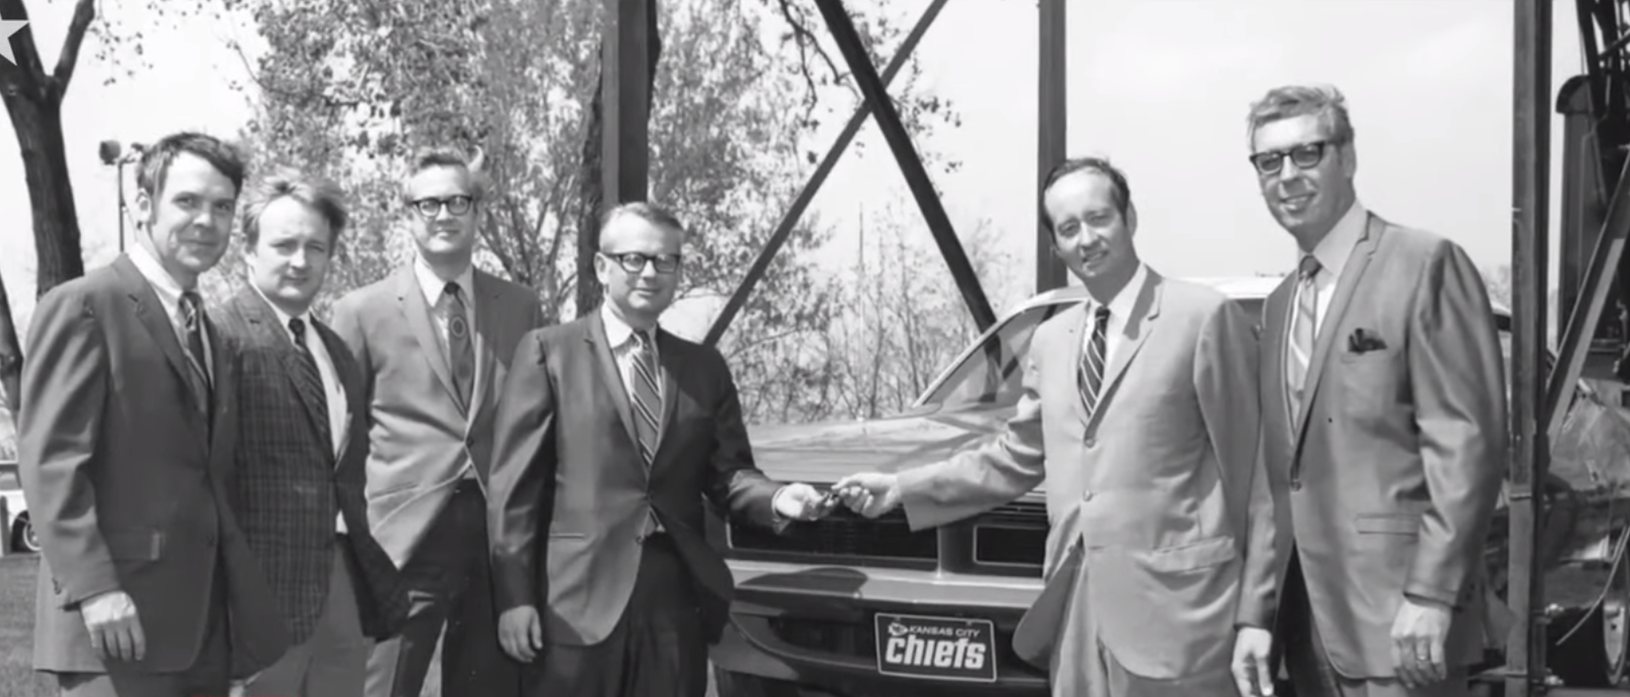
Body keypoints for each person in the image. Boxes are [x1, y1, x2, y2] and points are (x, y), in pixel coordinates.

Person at [832, 158, 1274, 697]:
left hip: (1182, 619)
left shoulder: (1202, 318)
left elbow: (1258, 479)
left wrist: (1258, 613)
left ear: (1129, 218)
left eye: (1098, 218)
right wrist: (901, 488)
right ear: (1055, 247)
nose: (1086, 238)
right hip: (1075, 613)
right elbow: (1014, 456)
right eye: (1068, 229)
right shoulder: (1051, 339)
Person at [486, 201, 836, 697]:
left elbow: (729, 475)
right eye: (634, 258)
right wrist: (514, 598)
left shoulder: (703, 368)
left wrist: (779, 499)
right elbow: (514, 491)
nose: (649, 272)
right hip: (574, 601)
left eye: (664, 260)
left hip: (674, 598)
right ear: (601, 266)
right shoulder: (548, 352)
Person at [1244, 84, 1506, 697]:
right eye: (1269, 161)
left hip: (1404, 629)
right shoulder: (1281, 305)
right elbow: (1276, 478)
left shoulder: (1423, 263)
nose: (1287, 175)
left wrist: (1431, 593)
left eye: (1307, 153)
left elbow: (1466, 444)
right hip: (1306, 632)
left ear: (1348, 157)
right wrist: (1255, 613)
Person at [16, 132, 289, 697]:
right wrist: (95, 589)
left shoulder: (209, 331)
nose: (206, 221)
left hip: (200, 629)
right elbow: (50, 464)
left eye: (222, 207)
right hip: (114, 630)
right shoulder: (85, 306)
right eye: (187, 202)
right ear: (143, 206)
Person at [330, 147, 544, 697]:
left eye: (457, 201)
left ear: (478, 212)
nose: (444, 214)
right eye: (428, 204)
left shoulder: (521, 306)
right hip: (402, 541)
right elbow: (342, 438)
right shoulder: (362, 310)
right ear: (407, 214)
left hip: (496, 544)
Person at [212, 167, 409, 697]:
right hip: (258, 594)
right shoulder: (220, 338)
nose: (300, 261)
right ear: (248, 250)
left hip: (339, 585)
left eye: (315, 247)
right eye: (284, 245)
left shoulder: (335, 349)